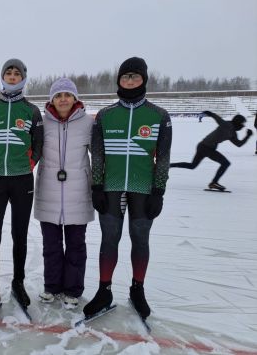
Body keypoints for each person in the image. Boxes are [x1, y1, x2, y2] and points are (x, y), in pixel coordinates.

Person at [83, 57, 172, 320]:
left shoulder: (159, 116)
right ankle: (104, 290)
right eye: (125, 76)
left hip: (143, 189)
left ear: (144, 79)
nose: (130, 81)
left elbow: (163, 158)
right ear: (119, 80)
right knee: (109, 240)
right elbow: (97, 155)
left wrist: (159, 191)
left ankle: (137, 289)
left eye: (135, 76)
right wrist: (96, 186)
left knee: (140, 239)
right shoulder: (105, 115)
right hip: (110, 188)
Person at [0, 58, 44, 321]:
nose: (13, 76)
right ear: (3, 76)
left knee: (20, 235)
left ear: (24, 78)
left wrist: (29, 163)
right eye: (9, 72)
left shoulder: (31, 111)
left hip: (22, 180)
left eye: (17, 73)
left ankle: (18, 282)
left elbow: (39, 143)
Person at [34, 78, 95, 309]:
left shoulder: (88, 124)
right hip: (48, 192)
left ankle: (72, 290)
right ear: (51, 100)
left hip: (78, 193)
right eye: (58, 96)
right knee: (51, 246)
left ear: (75, 98)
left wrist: (98, 186)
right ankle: (52, 287)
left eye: (67, 95)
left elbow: (98, 157)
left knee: (76, 246)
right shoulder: (42, 123)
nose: (63, 99)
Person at [170, 111, 252, 190]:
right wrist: (210, 114)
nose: (243, 126)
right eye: (242, 124)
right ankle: (214, 183)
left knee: (193, 165)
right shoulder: (226, 125)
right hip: (206, 148)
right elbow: (218, 118)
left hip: (203, 146)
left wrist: (247, 136)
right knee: (225, 163)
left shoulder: (233, 133)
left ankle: (169, 165)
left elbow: (238, 144)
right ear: (238, 122)